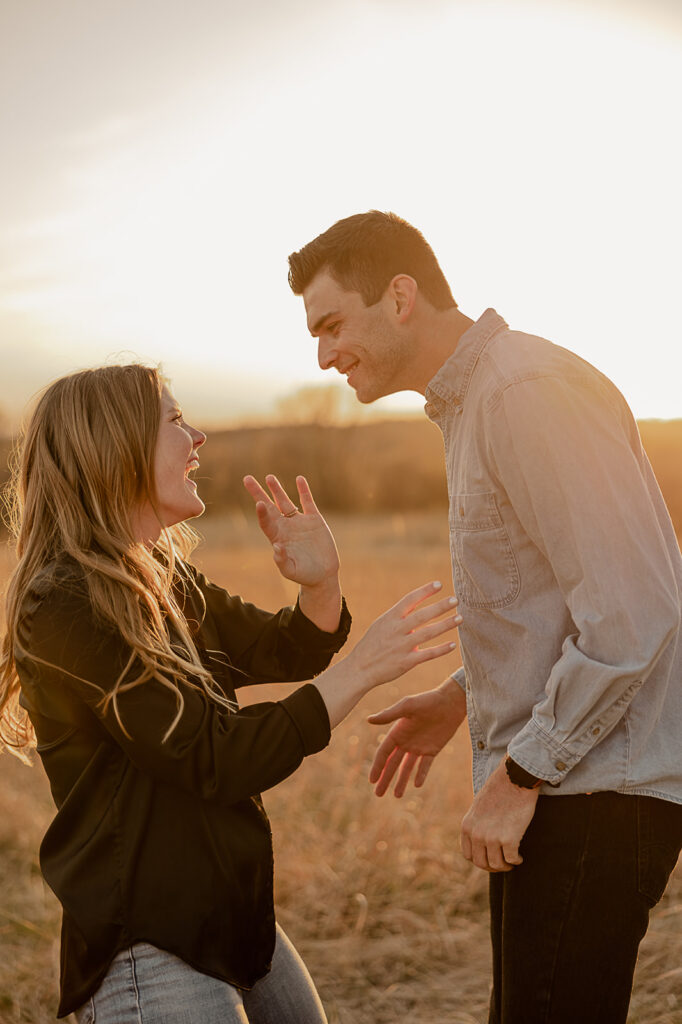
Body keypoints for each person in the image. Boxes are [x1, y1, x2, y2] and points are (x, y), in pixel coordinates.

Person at [287, 210, 682, 1024]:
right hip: (566, 787)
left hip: (594, 792)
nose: (322, 355)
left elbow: (635, 610)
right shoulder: (475, 403)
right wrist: (464, 693)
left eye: (331, 324)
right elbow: (563, 601)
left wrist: (520, 772)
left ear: (400, 297)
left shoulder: (525, 392)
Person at [0, 363, 462, 1023]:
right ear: (117, 445)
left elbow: (282, 648)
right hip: (147, 945)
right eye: (175, 420)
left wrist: (320, 586)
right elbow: (214, 757)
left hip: (234, 917)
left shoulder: (162, 576)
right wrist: (361, 670)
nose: (199, 436)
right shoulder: (65, 604)